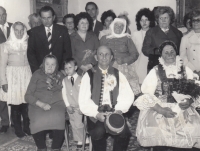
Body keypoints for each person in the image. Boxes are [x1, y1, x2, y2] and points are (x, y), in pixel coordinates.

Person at [134, 41, 200, 150]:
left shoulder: (185, 70)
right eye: (166, 52)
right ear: (161, 55)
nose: (169, 54)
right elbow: (146, 94)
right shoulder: (155, 71)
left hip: (183, 109)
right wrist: (161, 110)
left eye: (172, 51)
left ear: (176, 53)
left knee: (190, 130)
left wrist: (190, 101)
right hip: (160, 109)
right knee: (159, 133)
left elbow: (196, 90)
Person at [79, 45, 134, 151]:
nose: (104, 57)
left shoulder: (118, 74)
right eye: (101, 54)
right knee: (98, 132)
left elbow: (127, 95)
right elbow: (83, 100)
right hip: (96, 113)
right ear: (96, 57)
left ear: (111, 57)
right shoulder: (89, 75)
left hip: (115, 111)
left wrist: (118, 110)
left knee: (124, 133)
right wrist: (96, 113)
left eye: (107, 54)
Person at [25, 54, 65, 151]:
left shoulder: (60, 75)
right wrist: (41, 104)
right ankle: (41, 147)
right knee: (37, 121)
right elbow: (27, 96)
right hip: (38, 104)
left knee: (59, 118)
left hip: (57, 104)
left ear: (57, 66)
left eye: (53, 64)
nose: (50, 67)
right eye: (47, 64)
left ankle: (56, 148)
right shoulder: (36, 74)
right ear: (43, 64)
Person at [0, 22, 31, 138]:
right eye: (16, 30)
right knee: (15, 104)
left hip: (26, 74)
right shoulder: (5, 45)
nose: (19, 33)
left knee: (26, 103)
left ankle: (27, 127)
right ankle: (18, 129)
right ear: (13, 31)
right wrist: (3, 81)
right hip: (13, 76)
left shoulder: (28, 43)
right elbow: (2, 65)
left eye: (21, 30)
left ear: (24, 30)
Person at [100, 18, 140, 95]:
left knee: (125, 92)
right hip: (108, 67)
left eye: (121, 26)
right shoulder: (105, 38)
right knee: (109, 91)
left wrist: (124, 60)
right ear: (112, 26)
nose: (119, 27)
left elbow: (135, 54)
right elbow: (99, 53)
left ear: (124, 28)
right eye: (116, 25)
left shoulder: (127, 39)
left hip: (124, 68)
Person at [27, 5, 72, 73]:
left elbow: (67, 52)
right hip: (41, 70)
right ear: (40, 18)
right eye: (43, 18)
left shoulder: (62, 30)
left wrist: (63, 68)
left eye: (49, 17)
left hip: (59, 69)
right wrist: (36, 71)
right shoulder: (34, 32)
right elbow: (31, 54)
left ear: (53, 17)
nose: (46, 20)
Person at [142, 6, 183, 73]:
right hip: (155, 65)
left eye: (166, 18)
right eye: (161, 18)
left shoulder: (177, 33)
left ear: (170, 19)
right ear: (157, 20)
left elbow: (181, 50)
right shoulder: (151, 32)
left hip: (173, 65)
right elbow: (145, 49)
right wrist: (159, 51)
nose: (163, 20)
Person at [62, 58, 88, 148]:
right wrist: (67, 105)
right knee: (73, 123)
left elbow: (84, 94)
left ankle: (81, 139)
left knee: (78, 123)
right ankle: (83, 138)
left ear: (76, 67)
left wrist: (82, 106)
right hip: (70, 106)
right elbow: (64, 94)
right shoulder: (64, 80)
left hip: (79, 106)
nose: (67, 70)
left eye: (70, 67)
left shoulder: (82, 79)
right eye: (65, 68)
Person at [132, 8, 155, 84]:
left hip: (151, 62)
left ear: (150, 21)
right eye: (142, 20)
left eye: (146, 20)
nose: (144, 22)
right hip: (139, 62)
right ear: (139, 21)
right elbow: (133, 51)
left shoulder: (154, 33)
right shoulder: (135, 34)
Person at [0, 6, 12, 134]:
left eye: (3, 14)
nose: (2, 17)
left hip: (15, 67)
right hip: (0, 66)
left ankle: (15, 121)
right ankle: (4, 122)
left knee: (15, 95)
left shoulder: (15, 27)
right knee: (1, 97)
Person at [180, 9, 200, 76]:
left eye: (198, 20)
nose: (196, 22)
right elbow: (183, 57)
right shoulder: (185, 38)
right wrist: (193, 70)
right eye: (194, 20)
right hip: (192, 72)